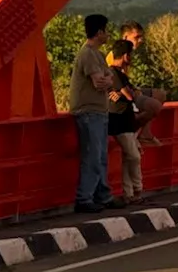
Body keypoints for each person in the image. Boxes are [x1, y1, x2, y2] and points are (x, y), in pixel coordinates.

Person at [71, 14, 119, 212]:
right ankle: (84, 199)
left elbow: (109, 78)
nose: (108, 34)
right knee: (93, 155)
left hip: (99, 110)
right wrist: (107, 81)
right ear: (99, 32)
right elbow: (101, 82)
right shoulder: (89, 54)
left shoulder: (98, 54)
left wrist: (106, 80)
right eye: (106, 30)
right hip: (89, 111)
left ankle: (102, 195)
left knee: (100, 155)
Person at [107, 21, 166, 146]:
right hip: (120, 98)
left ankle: (145, 134)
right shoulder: (115, 57)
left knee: (160, 95)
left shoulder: (127, 55)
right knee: (153, 106)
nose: (140, 40)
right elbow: (111, 80)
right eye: (137, 37)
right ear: (125, 37)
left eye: (141, 37)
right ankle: (132, 132)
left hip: (128, 91)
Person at [106, 39, 144, 204]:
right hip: (120, 121)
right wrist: (128, 93)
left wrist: (126, 93)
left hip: (124, 120)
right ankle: (137, 190)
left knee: (129, 157)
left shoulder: (119, 74)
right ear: (125, 55)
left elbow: (133, 92)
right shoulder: (114, 73)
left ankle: (130, 193)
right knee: (134, 156)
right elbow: (132, 95)